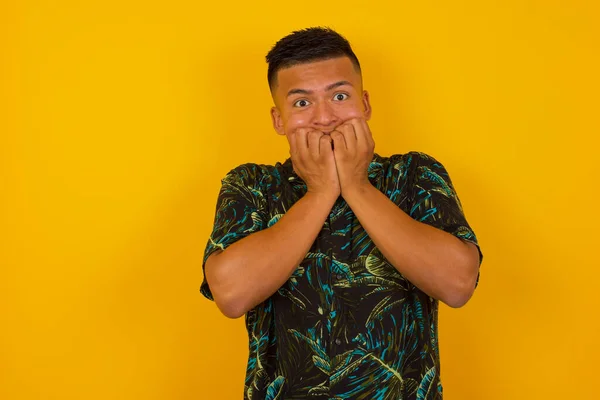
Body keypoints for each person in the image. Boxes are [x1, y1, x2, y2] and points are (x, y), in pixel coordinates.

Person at [200, 26, 483, 400]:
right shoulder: (251, 185)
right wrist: (321, 191)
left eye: (339, 95)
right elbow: (231, 294)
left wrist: (357, 186)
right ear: (279, 119)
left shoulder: (415, 175)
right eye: (301, 103)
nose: (324, 117)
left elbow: (458, 284)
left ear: (364, 104)